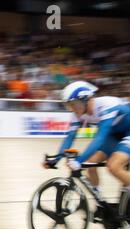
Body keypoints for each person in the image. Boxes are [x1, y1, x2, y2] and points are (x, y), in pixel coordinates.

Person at [43, 80, 130, 212]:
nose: (72, 109)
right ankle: (101, 204)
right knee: (90, 164)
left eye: (74, 104)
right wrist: (56, 159)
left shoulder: (106, 105)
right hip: (114, 134)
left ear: (86, 99)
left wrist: (79, 160)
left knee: (114, 166)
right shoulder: (78, 113)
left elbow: (100, 138)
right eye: (69, 106)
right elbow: (70, 137)